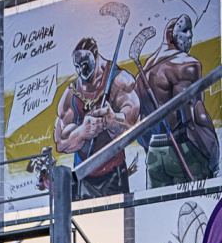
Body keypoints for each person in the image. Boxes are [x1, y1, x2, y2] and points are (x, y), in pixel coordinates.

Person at [136, 15, 219, 188]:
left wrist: (154, 150)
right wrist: (213, 155)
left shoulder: (143, 74)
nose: (190, 36)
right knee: (197, 202)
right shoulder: (185, 64)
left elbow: (141, 125)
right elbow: (196, 116)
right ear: (170, 36)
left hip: (154, 152)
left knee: (160, 204)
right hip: (182, 146)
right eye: (185, 31)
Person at [55, 36, 140, 197]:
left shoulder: (118, 81)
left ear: (95, 56)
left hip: (113, 172)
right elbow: (60, 143)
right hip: (82, 174)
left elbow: (134, 123)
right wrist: (82, 132)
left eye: (84, 65)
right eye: (77, 67)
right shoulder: (72, 92)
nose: (80, 71)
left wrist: (112, 120)